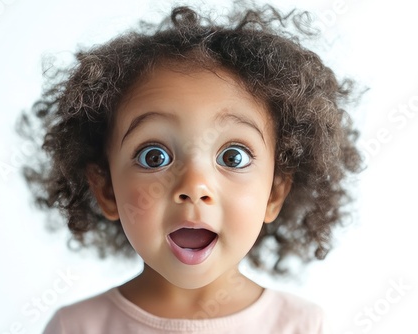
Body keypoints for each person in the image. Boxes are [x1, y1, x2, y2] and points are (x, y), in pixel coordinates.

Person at [18, 2, 362, 333]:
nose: (194, 185)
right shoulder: (75, 328)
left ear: (274, 193)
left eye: (233, 157)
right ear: (106, 189)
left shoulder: (304, 326)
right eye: (155, 157)